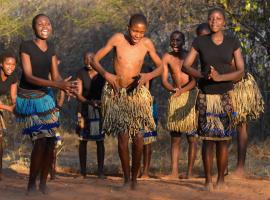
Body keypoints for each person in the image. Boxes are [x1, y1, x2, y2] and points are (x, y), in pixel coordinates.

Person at [91, 13, 162, 189]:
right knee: (122, 138)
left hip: (136, 96)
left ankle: (135, 179)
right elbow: (94, 59)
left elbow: (161, 67)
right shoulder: (117, 39)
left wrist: (148, 76)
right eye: (134, 30)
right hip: (118, 95)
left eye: (141, 32)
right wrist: (107, 75)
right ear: (128, 27)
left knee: (138, 138)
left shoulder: (147, 44)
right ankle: (126, 179)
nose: (137, 35)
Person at [183, 8, 244, 191]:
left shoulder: (232, 42)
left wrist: (220, 78)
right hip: (206, 96)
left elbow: (240, 71)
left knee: (223, 141)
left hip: (225, 95)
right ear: (208, 21)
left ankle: (221, 180)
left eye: (218, 19)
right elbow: (186, 65)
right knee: (207, 140)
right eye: (211, 18)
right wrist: (202, 75)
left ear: (224, 22)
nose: (214, 21)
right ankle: (208, 181)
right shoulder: (199, 41)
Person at [15, 14, 76, 194]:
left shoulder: (51, 48)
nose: (44, 26)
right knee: (40, 141)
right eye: (40, 24)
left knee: (50, 142)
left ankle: (43, 183)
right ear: (34, 28)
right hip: (29, 100)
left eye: (47, 23)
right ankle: (31, 185)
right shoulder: (26, 46)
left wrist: (64, 86)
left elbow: (55, 75)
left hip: (46, 99)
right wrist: (57, 84)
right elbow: (28, 76)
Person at [161, 31, 198, 179]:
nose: (175, 43)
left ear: (184, 41)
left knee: (192, 138)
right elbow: (164, 79)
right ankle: (174, 172)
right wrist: (172, 89)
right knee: (175, 137)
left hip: (190, 97)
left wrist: (182, 91)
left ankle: (189, 173)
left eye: (178, 40)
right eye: (172, 40)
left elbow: (195, 80)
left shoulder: (190, 56)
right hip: (176, 97)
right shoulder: (167, 57)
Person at [230, 62, 264, 177]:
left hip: (240, 88)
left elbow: (239, 70)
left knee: (241, 125)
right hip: (225, 87)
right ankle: (223, 167)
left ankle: (240, 168)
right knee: (223, 125)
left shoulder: (232, 46)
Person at [75, 51, 105, 178]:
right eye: (85, 59)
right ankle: (83, 172)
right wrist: (89, 102)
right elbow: (78, 94)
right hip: (85, 109)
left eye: (91, 59)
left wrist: (100, 102)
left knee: (100, 141)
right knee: (83, 141)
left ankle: (100, 172)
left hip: (99, 109)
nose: (88, 61)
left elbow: (108, 92)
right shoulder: (81, 73)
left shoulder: (102, 73)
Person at [0, 51, 17, 180]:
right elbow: (9, 106)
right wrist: (9, 108)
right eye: (7, 64)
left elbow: (13, 97)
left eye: (13, 64)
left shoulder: (13, 78)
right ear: (1, 64)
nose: (10, 67)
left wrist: (18, 106)